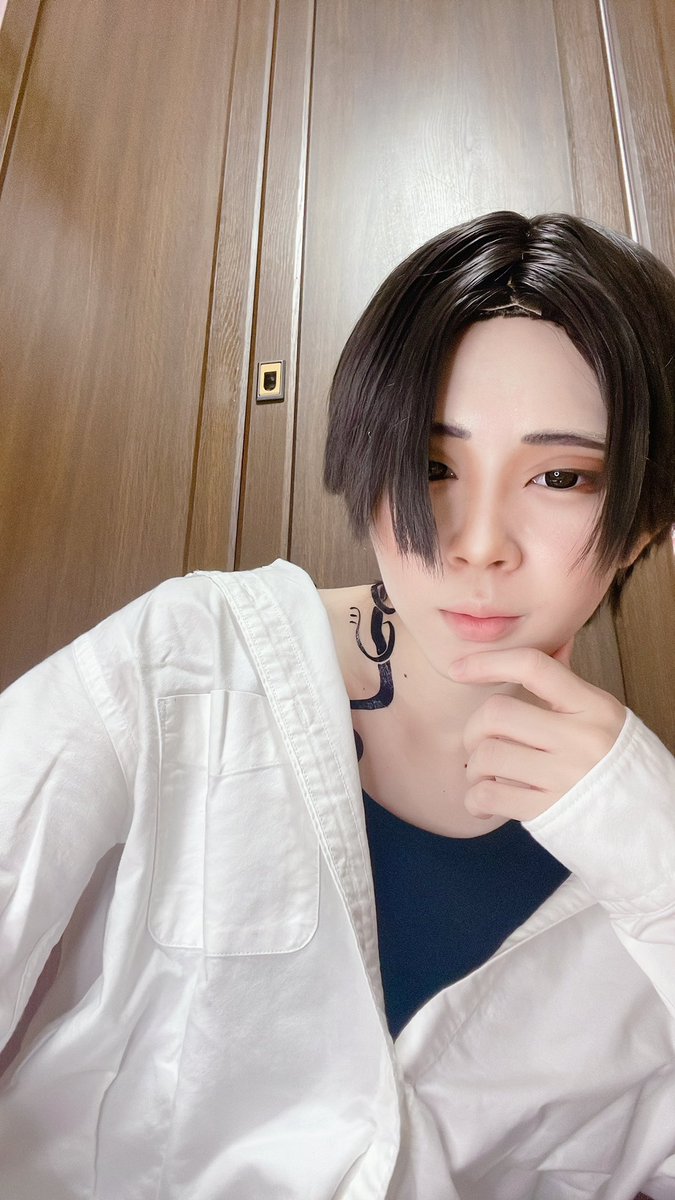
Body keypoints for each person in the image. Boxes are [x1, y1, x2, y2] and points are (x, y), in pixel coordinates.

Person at [0, 211, 674, 1200]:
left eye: (560, 476)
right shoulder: (190, 658)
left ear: (644, 525)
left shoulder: (652, 856)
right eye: (433, 466)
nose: (477, 541)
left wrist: (656, 854)